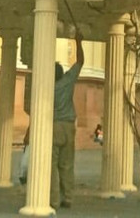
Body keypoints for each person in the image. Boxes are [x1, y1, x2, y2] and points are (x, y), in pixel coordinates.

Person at [51, 33, 84, 210]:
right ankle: (68, 198)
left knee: (52, 165)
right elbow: (80, 62)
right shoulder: (67, 81)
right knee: (66, 164)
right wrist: (78, 41)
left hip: (53, 126)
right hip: (69, 126)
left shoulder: (47, 86)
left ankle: (54, 200)